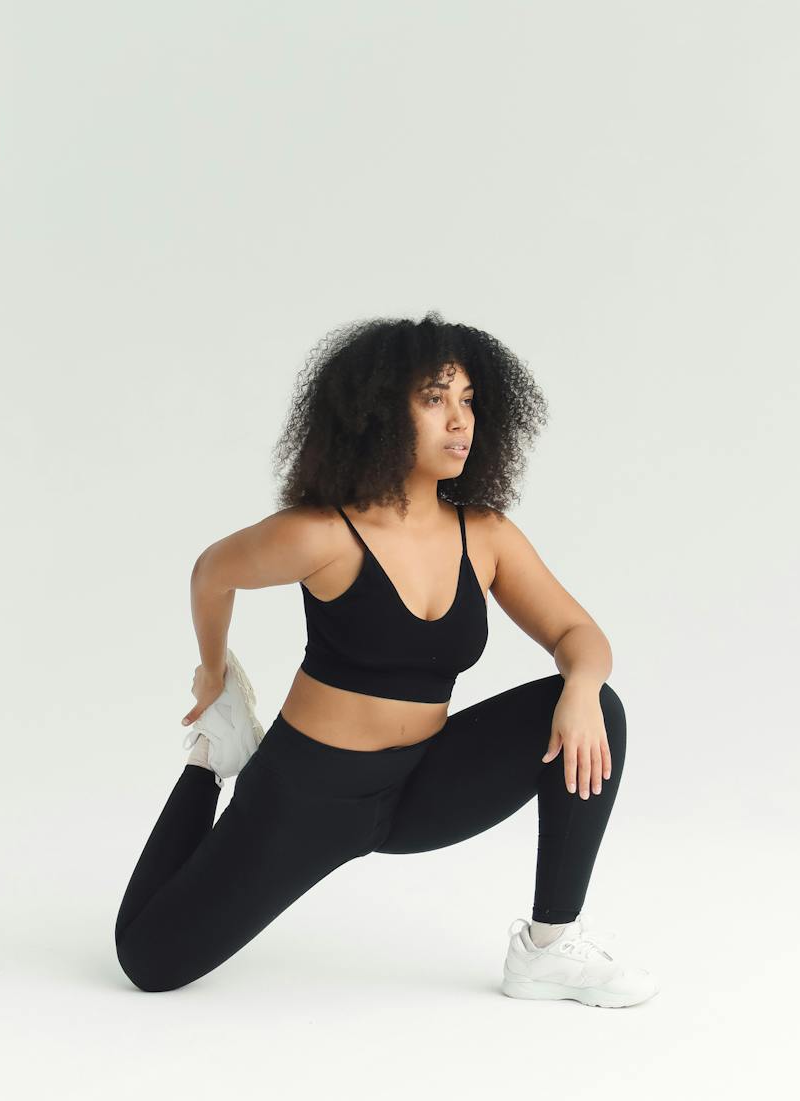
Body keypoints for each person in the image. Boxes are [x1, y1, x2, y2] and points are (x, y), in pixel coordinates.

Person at [114, 312, 658, 1008]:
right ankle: (211, 758)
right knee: (150, 961)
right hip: (309, 794)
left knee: (599, 708)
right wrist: (214, 674)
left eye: (468, 400)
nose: (459, 420)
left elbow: (578, 632)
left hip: (422, 786)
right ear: (378, 412)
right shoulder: (323, 534)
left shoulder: (486, 534)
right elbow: (211, 573)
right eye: (434, 398)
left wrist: (579, 686)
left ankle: (548, 946)